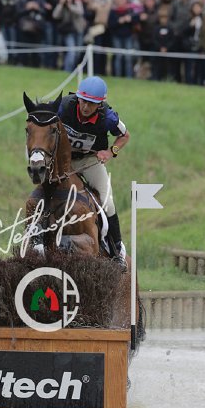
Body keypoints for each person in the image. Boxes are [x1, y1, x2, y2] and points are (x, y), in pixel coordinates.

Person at [58, 75, 130, 267]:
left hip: (89, 161)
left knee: (107, 202)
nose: (85, 107)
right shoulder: (64, 106)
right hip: (64, 160)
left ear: (99, 104)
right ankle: (35, 238)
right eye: (83, 101)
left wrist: (111, 151)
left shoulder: (108, 118)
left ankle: (117, 251)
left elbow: (125, 136)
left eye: (91, 103)